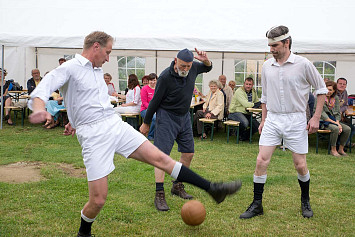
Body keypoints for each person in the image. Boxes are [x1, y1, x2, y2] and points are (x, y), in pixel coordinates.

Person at [28, 32, 241, 236]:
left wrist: (73, 120)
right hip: (93, 136)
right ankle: (84, 233)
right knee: (98, 200)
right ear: (96, 47)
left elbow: (88, 101)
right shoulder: (70, 68)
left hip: (114, 124)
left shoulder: (96, 69)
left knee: (161, 158)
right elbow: (42, 90)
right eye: (108, 52)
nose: (108, 57)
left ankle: (213, 189)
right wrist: (39, 109)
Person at [239, 25, 328, 220]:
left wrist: (314, 118)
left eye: (275, 45)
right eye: (270, 45)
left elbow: (321, 90)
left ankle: (305, 200)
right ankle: (257, 204)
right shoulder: (266, 66)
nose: (271, 49)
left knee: (300, 165)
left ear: (287, 43)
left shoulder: (303, 64)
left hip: (296, 119)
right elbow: (264, 97)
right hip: (273, 118)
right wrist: (263, 120)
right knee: (261, 160)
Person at [140, 48, 213, 212]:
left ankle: (177, 185)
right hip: (166, 117)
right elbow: (154, 102)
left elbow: (208, 68)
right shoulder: (165, 77)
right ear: (175, 61)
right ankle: (159, 192)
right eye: (182, 66)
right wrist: (146, 123)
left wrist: (206, 60)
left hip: (184, 116)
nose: (185, 69)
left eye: (188, 66)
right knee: (161, 155)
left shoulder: (193, 67)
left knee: (188, 153)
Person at [316, 81, 351, 156]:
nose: (328, 92)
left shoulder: (335, 98)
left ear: (334, 91)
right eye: (327, 89)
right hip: (322, 121)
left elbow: (338, 113)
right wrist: (336, 124)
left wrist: (338, 123)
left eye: (330, 90)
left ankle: (341, 149)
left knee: (347, 129)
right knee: (335, 128)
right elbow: (322, 114)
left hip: (334, 120)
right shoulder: (319, 97)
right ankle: (333, 149)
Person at [228, 77, 260, 141]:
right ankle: (238, 133)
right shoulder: (239, 91)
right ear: (244, 84)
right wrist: (256, 104)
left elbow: (256, 101)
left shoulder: (253, 91)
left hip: (247, 112)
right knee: (245, 122)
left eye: (250, 84)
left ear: (252, 85)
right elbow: (246, 104)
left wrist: (259, 104)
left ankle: (243, 136)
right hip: (235, 112)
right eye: (247, 84)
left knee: (257, 126)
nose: (248, 86)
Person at [140, 73, 157, 140]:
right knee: (155, 118)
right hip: (145, 110)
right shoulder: (144, 89)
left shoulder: (158, 88)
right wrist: (153, 110)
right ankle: (150, 135)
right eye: (151, 80)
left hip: (156, 109)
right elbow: (144, 103)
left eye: (154, 80)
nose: (153, 82)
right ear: (148, 81)